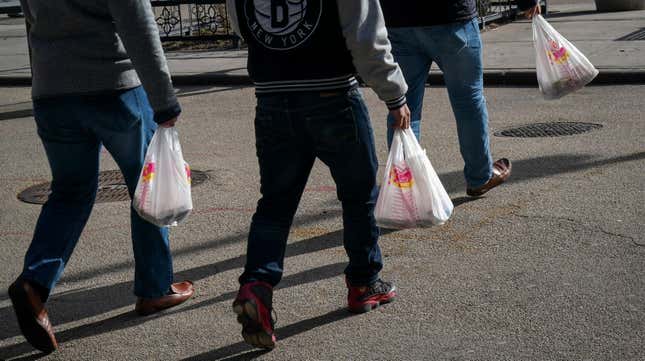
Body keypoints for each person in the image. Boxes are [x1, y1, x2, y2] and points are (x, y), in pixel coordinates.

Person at [8, 0, 195, 354]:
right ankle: (155, 288)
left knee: (70, 191)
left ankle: (34, 283)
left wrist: (45, 81)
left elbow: (33, 21)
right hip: (114, 87)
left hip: (51, 92)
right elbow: (138, 24)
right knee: (145, 185)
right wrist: (165, 99)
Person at [226, 0, 411, 349]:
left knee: (276, 204)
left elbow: (242, 25)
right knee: (358, 194)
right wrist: (395, 93)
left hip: (272, 97)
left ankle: (256, 285)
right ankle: (363, 282)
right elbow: (366, 36)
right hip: (332, 93)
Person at [379, 0, 541, 196]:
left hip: (399, 18)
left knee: (404, 107)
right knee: (468, 103)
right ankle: (479, 177)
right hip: (452, 16)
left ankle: (405, 191)